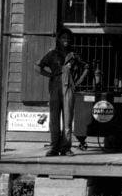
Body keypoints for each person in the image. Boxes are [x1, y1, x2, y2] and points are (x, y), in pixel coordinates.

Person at [35, 29, 88, 157]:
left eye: (68, 38)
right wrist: (51, 75)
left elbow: (86, 67)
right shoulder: (52, 54)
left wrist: (77, 82)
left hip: (69, 88)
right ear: (58, 39)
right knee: (54, 120)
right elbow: (37, 67)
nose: (66, 40)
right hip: (54, 88)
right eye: (63, 37)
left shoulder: (74, 54)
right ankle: (54, 147)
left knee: (68, 119)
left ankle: (65, 148)